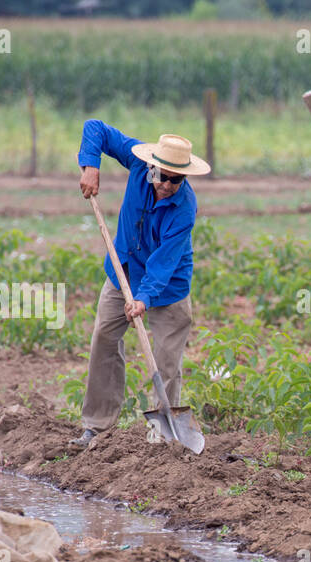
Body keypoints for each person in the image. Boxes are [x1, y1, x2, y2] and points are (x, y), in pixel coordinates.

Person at [70, 122, 211, 448]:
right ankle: (97, 426)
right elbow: (96, 129)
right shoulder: (138, 164)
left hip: (169, 287)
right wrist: (91, 166)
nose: (167, 184)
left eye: (177, 179)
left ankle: (164, 441)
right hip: (123, 271)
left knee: (166, 361)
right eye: (162, 175)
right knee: (104, 338)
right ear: (153, 166)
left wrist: (144, 299)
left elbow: (163, 265)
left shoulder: (184, 208)